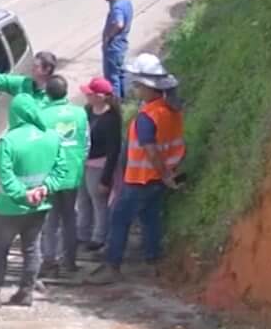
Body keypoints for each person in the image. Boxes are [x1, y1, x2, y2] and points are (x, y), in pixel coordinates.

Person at [90, 54, 185, 284]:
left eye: (138, 84)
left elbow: (151, 151)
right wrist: (167, 177)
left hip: (141, 179)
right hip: (159, 179)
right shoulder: (170, 110)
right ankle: (153, 261)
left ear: (148, 87)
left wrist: (164, 175)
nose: (135, 88)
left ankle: (112, 266)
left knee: (119, 219)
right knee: (151, 218)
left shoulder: (147, 117)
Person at [0, 97, 58, 308]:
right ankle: (26, 292)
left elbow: (6, 179)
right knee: (32, 248)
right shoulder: (51, 137)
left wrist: (24, 195)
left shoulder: (8, 141)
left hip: (9, 208)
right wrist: (45, 188)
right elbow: (60, 170)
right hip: (40, 206)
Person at [36, 75, 89, 280]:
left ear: (47, 93)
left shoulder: (42, 115)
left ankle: (50, 261)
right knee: (69, 218)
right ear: (66, 91)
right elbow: (86, 144)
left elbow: (38, 147)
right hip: (72, 174)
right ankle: (70, 260)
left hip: (49, 176)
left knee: (50, 220)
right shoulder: (80, 113)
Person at [74, 76, 122, 254]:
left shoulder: (111, 119)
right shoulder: (87, 111)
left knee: (99, 203)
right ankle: (82, 233)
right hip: (83, 163)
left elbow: (114, 150)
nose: (87, 97)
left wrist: (106, 179)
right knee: (83, 200)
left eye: (91, 94)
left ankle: (99, 236)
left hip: (99, 166)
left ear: (100, 96)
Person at [101, 0, 133, 97]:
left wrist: (109, 37)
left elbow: (119, 23)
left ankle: (116, 105)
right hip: (122, 45)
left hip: (114, 46)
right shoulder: (126, 2)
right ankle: (124, 100)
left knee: (112, 77)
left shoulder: (117, 8)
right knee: (120, 74)